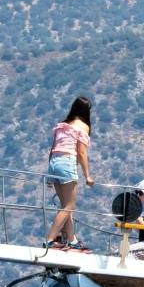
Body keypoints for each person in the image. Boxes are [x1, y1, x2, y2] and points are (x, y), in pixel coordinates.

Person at [42, 95, 94, 249]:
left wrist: (50, 175)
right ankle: (50, 239)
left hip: (54, 163)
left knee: (65, 205)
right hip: (66, 163)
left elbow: (52, 150)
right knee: (69, 206)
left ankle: (72, 241)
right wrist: (87, 175)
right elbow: (82, 153)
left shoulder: (62, 125)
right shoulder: (83, 126)